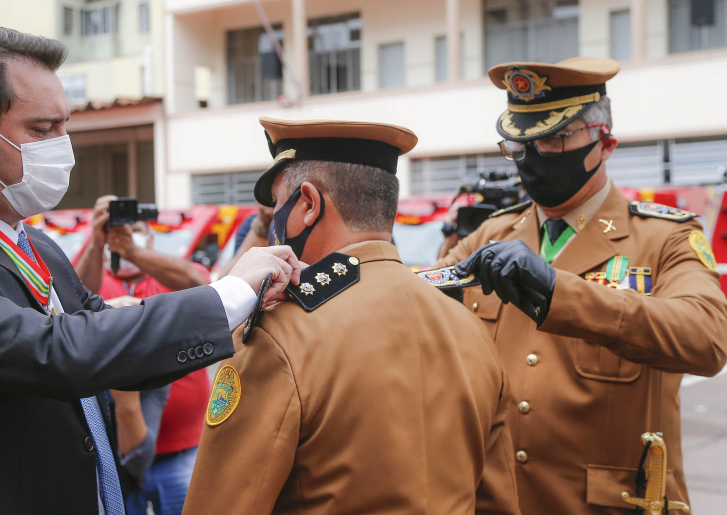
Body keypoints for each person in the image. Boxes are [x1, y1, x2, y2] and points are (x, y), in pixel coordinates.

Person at [0, 26, 300, 515]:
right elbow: (53, 352)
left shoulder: (32, 242)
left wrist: (237, 301)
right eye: (41, 130)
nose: (63, 146)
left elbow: (103, 331)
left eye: (64, 125)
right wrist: (227, 295)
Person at [436, 57, 727, 514]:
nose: (532, 158)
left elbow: (710, 338)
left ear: (605, 143)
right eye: (519, 145)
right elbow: (421, 299)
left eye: (553, 140)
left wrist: (562, 291)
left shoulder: (664, 236)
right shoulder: (492, 235)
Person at [183, 117, 520, 514]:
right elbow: (498, 503)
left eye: (277, 204)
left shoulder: (281, 335)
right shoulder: (468, 325)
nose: (274, 220)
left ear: (308, 204)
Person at [74, 195, 212, 515]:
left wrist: (133, 252)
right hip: (116, 453)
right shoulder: (95, 279)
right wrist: (97, 245)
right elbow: (71, 305)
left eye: (134, 229)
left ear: (149, 236)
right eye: (115, 229)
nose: (123, 233)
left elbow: (198, 284)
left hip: (181, 451)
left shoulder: (167, 275)